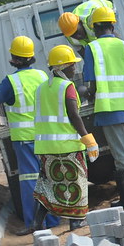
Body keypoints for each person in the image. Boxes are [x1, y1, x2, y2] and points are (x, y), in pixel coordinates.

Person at [0, 36, 59, 234]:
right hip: (46, 135)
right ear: (31, 57)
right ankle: (53, 219)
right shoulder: (41, 75)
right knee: (48, 176)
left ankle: (33, 223)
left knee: (31, 179)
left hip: (25, 138)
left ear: (13, 57)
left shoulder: (11, 81)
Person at [32, 46, 99, 231]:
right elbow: (74, 115)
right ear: (62, 68)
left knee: (47, 185)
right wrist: (87, 138)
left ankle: (37, 222)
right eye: (72, 65)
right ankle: (76, 221)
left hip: (45, 147)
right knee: (76, 182)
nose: (75, 69)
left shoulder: (41, 88)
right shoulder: (67, 87)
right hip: (67, 145)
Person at [82, 6, 124, 210]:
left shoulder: (93, 48)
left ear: (95, 27)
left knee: (121, 156)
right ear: (112, 24)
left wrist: (87, 92)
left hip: (109, 110)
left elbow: (90, 82)